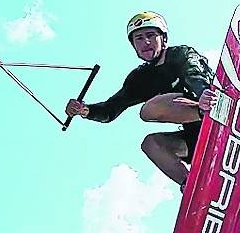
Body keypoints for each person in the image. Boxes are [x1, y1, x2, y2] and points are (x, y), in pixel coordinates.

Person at [65, 12, 217, 189]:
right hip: (194, 139)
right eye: (139, 38)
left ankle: (206, 111)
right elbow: (110, 109)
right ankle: (191, 186)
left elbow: (195, 73)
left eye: (151, 36)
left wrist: (203, 93)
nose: (145, 42)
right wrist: (85, 110)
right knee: (150, 144)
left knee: (148, 110)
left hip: (212, 108)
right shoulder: (139, 78)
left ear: (163, 39)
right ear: (134, 46)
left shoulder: (180, 54)